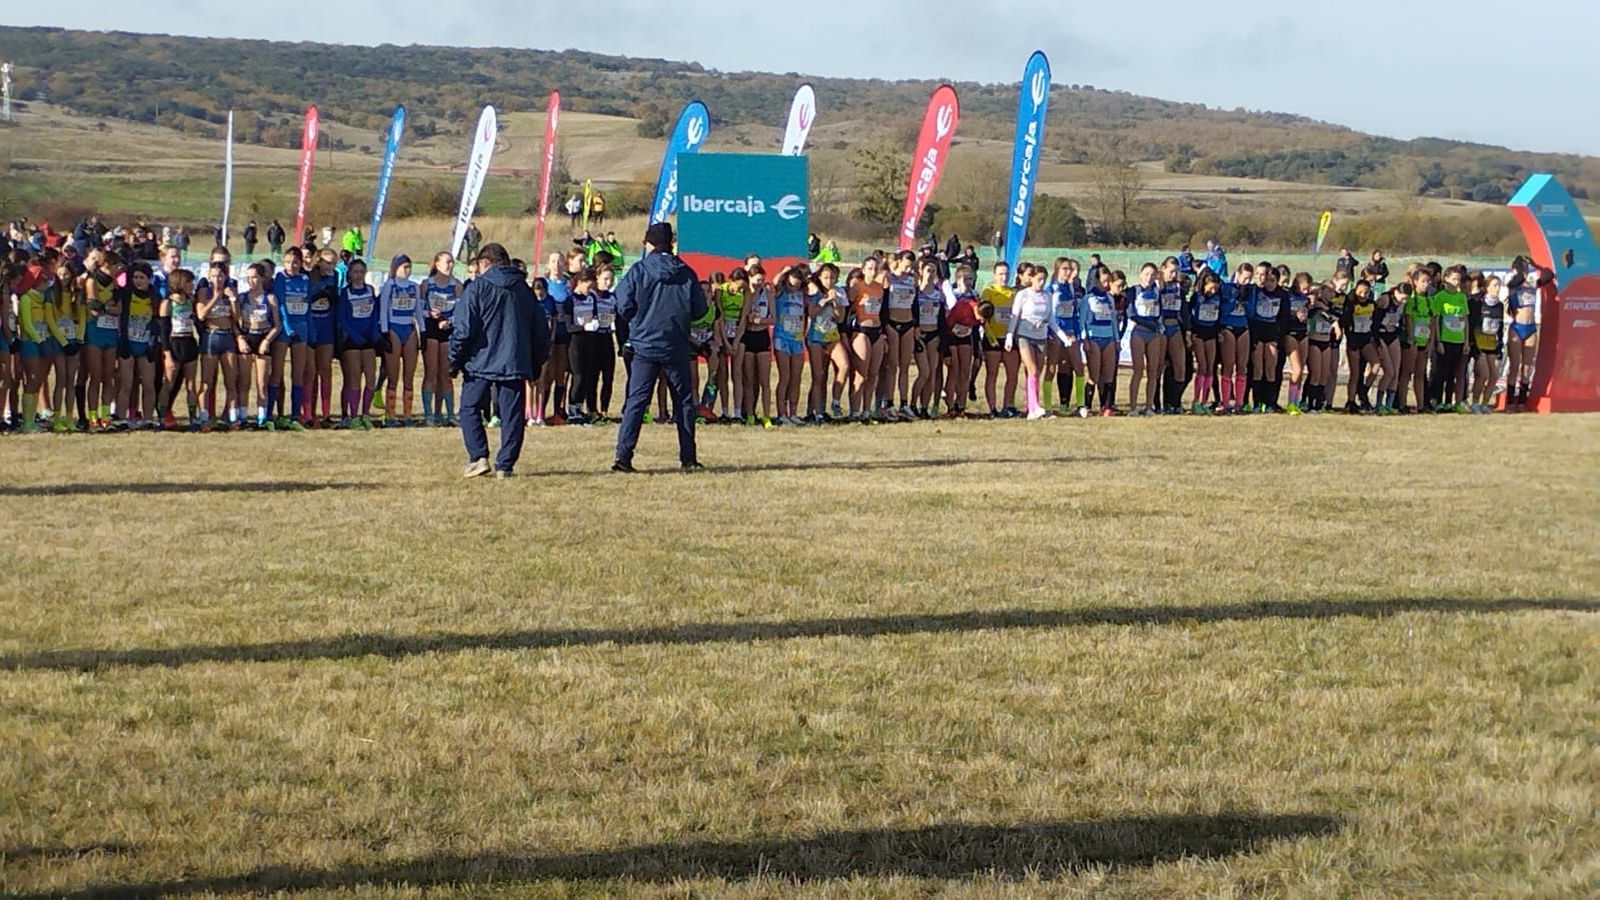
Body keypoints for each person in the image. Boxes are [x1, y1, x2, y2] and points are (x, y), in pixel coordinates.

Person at [611, 221, 707, 473]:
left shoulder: (639, 270)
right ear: (671, 243)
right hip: (676, 345)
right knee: (684, 403)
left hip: (644, 345)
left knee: (636, 402)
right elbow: (700, 310)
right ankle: (688, 457)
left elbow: (621, 304)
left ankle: (623, 457)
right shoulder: (686, 273)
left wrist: (637, 321)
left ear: (648, 243)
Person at [449, 243, 549, 478]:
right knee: (512, 415)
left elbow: (463, 330)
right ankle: (505, 464)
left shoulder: (477, 288)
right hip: (514, 361)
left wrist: (454, 360)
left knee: (469, 408)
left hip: (479, 361)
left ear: (484, 263)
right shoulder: (524, 290)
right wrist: (535, 363)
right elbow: (541, 331)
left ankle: (478, 456)